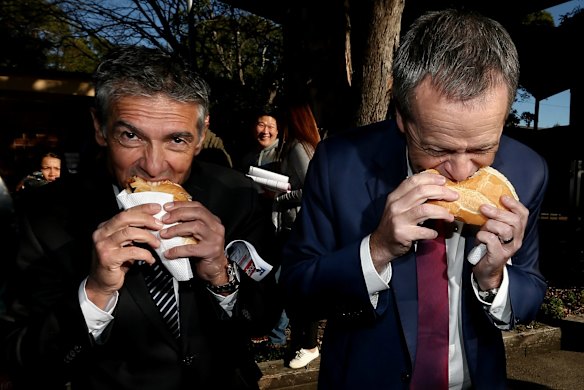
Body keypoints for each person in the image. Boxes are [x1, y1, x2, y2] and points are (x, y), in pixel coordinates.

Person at [280, 9, 548, 390]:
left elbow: (531, 286)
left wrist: (494, 279)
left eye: (483, 147)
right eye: (438, 147)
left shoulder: (527, 171)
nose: (459, 169)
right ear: (402, 117)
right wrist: (376, 250)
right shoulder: (338, 163)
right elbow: (297, 289)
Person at [0, 46, 282, 390]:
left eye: (177, 139)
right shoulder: (47, 214)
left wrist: (221, 274)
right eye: (131, 136)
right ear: (100, 128)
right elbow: (20, 357)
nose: (153, 165)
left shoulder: (235, 195)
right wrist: (95, 292)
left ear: (201, 135)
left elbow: (262, 320)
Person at [274, 101, 321, 368]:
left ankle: (309, 344)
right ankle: (303, 342)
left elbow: (310, 188)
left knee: (300, 287)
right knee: (297, 286)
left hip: (299, 226)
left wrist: (282, 197)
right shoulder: (305, 146)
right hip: (299, 226)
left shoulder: (298, 148)